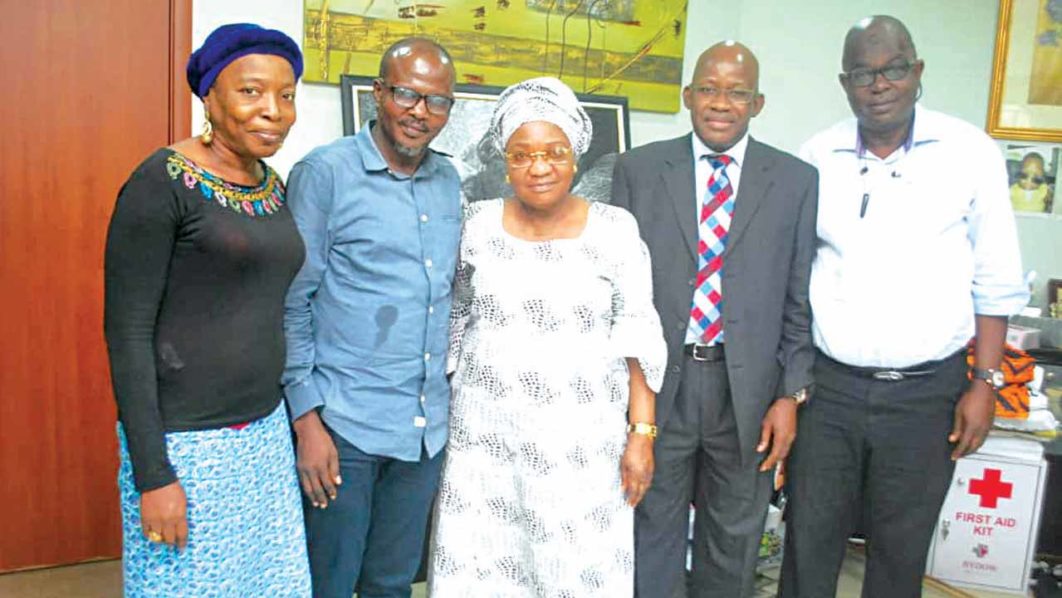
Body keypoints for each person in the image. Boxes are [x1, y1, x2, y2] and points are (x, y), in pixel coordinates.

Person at [779, 16, 1029, 598]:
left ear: (917, 71)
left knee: (900, 553)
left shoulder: (969, 153)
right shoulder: (816, 156)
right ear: (845, 84)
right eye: (862, 73)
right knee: (809, 542)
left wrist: (985, 383)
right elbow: (793, 279)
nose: (879, 85)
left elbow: (995, 279)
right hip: (829, 393)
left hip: (926, 394)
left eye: (893, 69)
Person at [430, 76, 667, 597]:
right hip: (486, 446)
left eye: (554, 152)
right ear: (505, 161)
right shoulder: (476, 226)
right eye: (522, 155)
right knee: (484, 570)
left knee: (573, 571)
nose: (539, 168)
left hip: (582, 450)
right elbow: (453, 318)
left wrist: (641, 434)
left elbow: (638, 333)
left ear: (575, 156)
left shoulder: (614, 230)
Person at [103, 23, 310, 596]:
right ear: (210, 97)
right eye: (250, 92)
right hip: (187, 447)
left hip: (263, 437)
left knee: (265, 584)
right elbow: (128, 332)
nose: (273, 111)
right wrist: (153, 475)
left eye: (286, 95)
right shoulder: (161, 182)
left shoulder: (271, 184)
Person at [612, 42, 818, 598]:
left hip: (748, 393)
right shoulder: (638, 171)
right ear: (688, 96)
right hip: (660, 386)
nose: (720, 103)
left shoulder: (796, 181)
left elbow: (798, 297)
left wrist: (790, 395)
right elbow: (617, 293)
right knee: (649, 526)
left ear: (758, 103)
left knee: (733, 540)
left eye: (737, 92)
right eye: (708, 89)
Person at [281, 37, 460, 597]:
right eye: (407, 94)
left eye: (437, 101)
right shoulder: (325, 174)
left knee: (392, 584)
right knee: (329, 584)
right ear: (378, 93)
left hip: (422, 434)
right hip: (342, 428)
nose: (420, 112)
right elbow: (290, 301)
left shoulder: (449, 182)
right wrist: (307, 422)